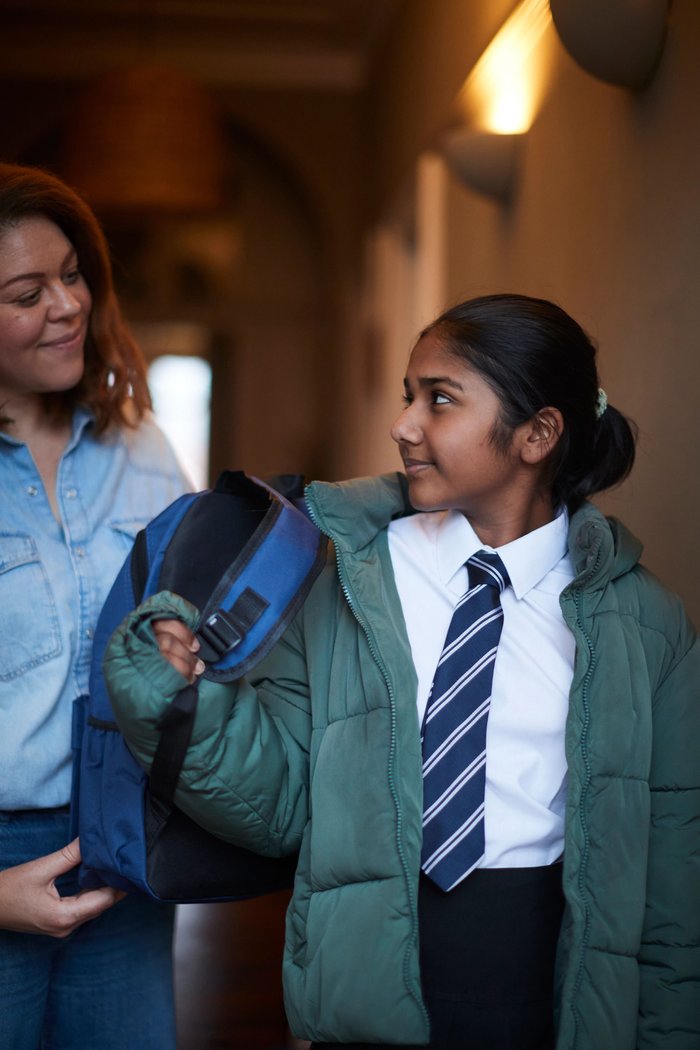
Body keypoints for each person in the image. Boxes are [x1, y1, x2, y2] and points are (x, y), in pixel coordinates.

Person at [104, 293, 699, 1049]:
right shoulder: (345, 579)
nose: (403, 425)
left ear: (538, 434)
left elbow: (675, 886)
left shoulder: (647, 626)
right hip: (368, 986)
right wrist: (176, 700)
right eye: (408, 396)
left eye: (439, 400)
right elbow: (282, 803)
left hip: (556, 996)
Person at [0, 162, 191, 1049]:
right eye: (27, 294)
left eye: (73, 275)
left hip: (126, 844)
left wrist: (190, 648)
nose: (68, 305)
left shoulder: (140, 443)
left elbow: (193, 615)